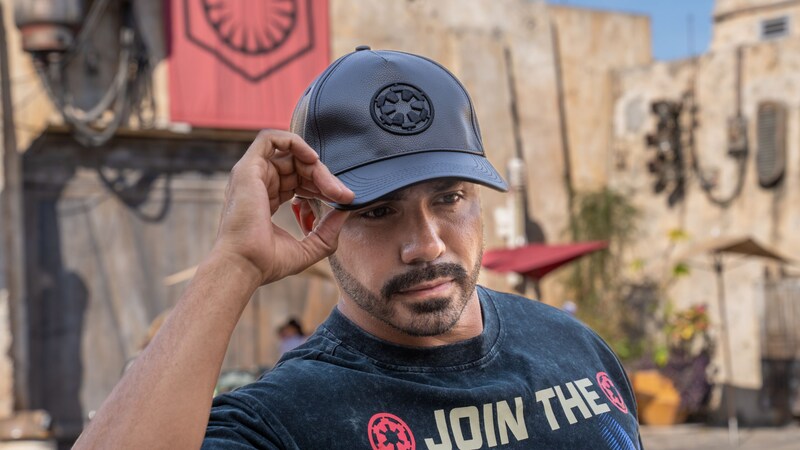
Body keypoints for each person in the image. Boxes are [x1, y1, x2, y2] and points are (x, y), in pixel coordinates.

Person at [74, 46, 642, 449]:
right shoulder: (289, 419)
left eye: (449, 198)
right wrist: (234, 264)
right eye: (377, 211)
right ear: (307, 218)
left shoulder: (577, 349)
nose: (425, 244)